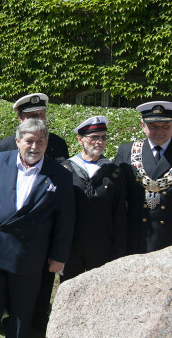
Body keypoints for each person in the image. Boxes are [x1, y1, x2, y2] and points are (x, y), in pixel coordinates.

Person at [0, 118, 74, 338]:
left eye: (40, 141)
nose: (34, 147)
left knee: (21, 312)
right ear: (18, 141)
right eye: (29, 141)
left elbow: (65, 221)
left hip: (30, 254)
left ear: (47, 143)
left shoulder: (61, 175)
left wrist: (58, 256)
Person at [0, 92, 69, 333]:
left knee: (41, 287)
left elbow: (62, 200)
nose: (39, 119)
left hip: (42, 237)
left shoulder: (57, 143)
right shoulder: (5, 147)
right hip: (9, 239)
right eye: (32, 116)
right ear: (19, 119)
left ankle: (36, 325)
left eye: (42, 115)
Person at [61, 116, 127, 281]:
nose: (99, 142)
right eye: (94, 137)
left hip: (102, 245)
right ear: (80, 140)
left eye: (103, 137)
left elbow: (120, 214)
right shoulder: (66, 170)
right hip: (72, 247)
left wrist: (119, 249)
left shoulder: (114, 173)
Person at [114, 101, 172, 254]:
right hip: (138, 236)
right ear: (142, 125)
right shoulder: (127, 151)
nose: (159, 131)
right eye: (153, 126)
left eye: (166, 126)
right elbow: (116, 194)